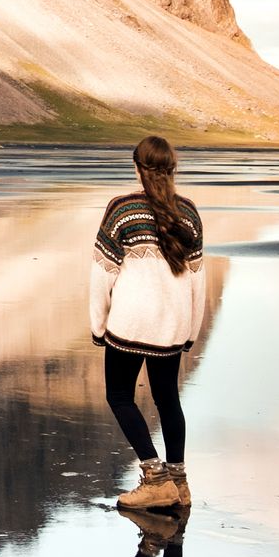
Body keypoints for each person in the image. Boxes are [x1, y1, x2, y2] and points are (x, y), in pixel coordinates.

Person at [90, 135, 205, 512]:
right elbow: (197, 278)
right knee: (168, 397)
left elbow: (102, 274)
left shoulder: (121, 209)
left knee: (119, 396)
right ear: (172, 168)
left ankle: (154, 478)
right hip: (172, 325)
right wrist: (190, 331)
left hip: (130, 325)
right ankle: (180, 483)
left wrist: (98, 326)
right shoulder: (188, 213)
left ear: (137, 167)